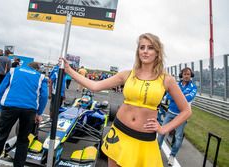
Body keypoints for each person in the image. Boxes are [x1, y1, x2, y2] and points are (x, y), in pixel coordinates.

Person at [62, 33, 192, 167]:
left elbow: (186, 111)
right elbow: (95, 86)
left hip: (144, 139)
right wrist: (70, 70)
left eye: (150, 47)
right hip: (119, 133)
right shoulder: (127, 74)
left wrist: (164, 129)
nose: (145, 51)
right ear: (138, 51)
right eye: (142, 47)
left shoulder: (166, 79)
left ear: (157, 52)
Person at [0, 62, 48, 167]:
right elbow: (44, 96)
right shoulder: (41, 77)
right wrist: (39, 113)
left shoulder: (13, 70)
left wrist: (1, 106)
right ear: (37, 69)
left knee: (0, 137)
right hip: (29, 109)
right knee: (23, 140)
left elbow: (0, 90)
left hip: (9, 106)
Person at [158, 67, 197, 166]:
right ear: (182, 75)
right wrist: (180, 95)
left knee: (178, 137)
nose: (186, 76)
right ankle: (156, 150)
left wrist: (177, 95)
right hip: (170, 112)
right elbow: (169, 96)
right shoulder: (175, 84)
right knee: (162, 132)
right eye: (184, 74)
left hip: (182, 116)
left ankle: (172, 156)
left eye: (188, 74)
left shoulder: (193, 87)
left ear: (191, 75)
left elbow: (189, 98)